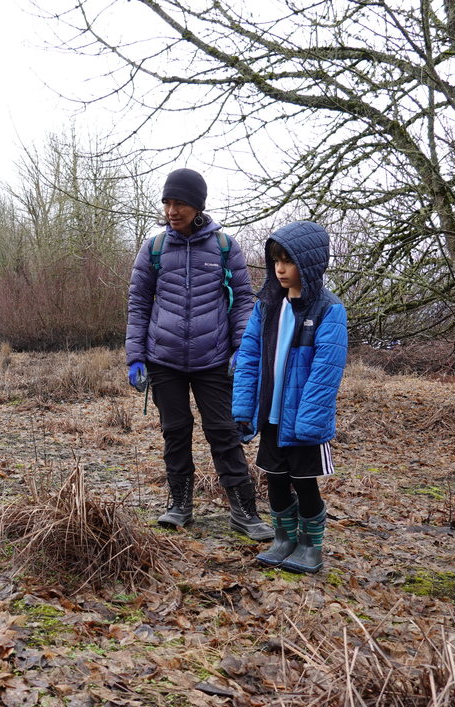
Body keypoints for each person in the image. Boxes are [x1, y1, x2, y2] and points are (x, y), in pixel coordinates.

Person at [126, 168, 271, 540]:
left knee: (224, 433)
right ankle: (179, 505)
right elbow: (139, 303)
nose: (172, 210)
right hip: (165, 359)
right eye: (168, 202)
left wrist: (241, 348)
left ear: (197, 205)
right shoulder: (154, 248)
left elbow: (242, 302)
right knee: (175, 432)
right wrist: (136, 356)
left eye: (180, 203)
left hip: (214, 359)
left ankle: (244, 511)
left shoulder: (224, 246)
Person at [231, 222, 348, 573]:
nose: (280, 268)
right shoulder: (267, 306)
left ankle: (310, 545)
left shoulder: (328, 310)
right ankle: (283, 539)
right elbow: (249, 357)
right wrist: (243, 408)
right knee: (275, 479)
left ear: (309, 264)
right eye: (276, 260)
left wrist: (309, 422)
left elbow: (326, 371)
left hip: (303, 420)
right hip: (270, 416)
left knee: (304, 484)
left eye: (289, 261)